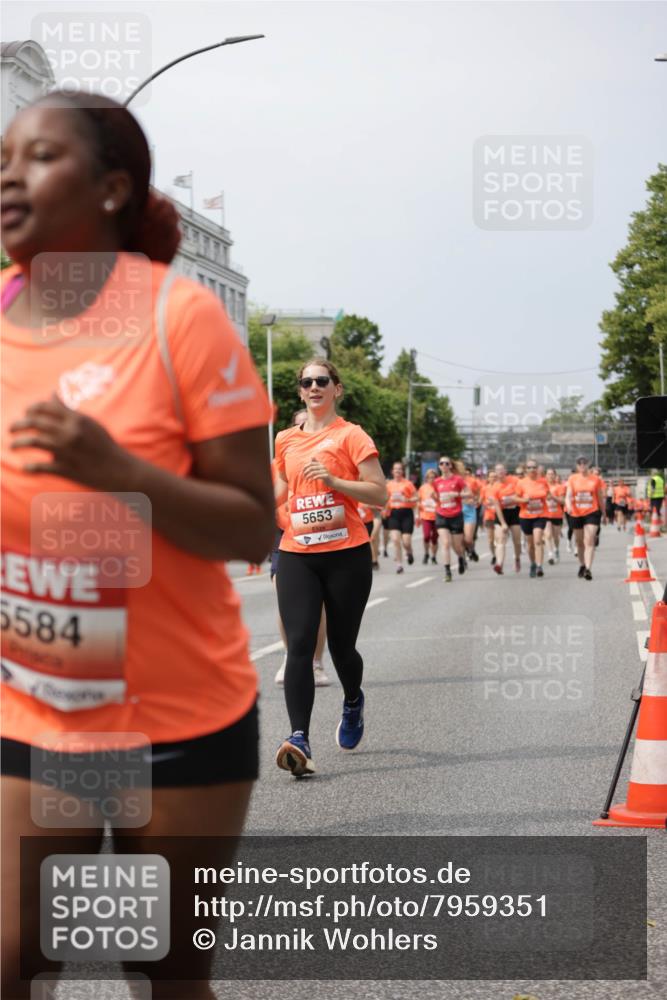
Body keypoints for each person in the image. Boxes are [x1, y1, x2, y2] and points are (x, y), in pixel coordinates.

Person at [1, 92, 275, 1000]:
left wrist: (117, 470)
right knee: (12, 954)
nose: (9, 173)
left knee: (161, 967)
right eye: (4, 155)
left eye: (38, 156)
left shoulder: (179, 318)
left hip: (177, 716)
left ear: (113, 187)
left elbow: (250, 523)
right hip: (34, 712)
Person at [272, 358, 386, 776]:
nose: (314, 386)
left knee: (341, 645)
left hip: (346, 554)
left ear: (336, 388)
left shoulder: (352, 436)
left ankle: (353, 700)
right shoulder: (285, 439)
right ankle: (298, 737)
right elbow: (282, 488)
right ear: (300, 391)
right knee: (299, 645)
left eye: (322, 380)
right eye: (307, 382)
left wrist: (336, 483)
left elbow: (379, 493)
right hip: (298, 553)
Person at [273, 409, 329, 687]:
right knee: (286, 603)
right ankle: (291, 655)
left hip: (317, 533)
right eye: (299, 425)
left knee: (316, 604)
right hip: (284, 534)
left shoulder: (325, 455)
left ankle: (316, 662)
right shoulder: (280, 455)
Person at [565, 456, 606, 581]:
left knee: (589, 540)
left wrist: (604, 513)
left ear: (588, 465)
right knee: (579, 542)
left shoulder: (595, 479)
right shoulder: (572, 478)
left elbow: (599, 498)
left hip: (592, 512)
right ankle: (582, 565)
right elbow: (568, 495)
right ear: (577, 466)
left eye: (584, 463)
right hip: (576, 513)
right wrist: (568, 506)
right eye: (579, 463)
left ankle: (588, 568)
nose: (582, 465)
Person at [434, 456, 467, 582]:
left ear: (450, 466)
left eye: (446, 463)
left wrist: (456, 494)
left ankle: (461, 558)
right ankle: (447, 571)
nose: (444, 465)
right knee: (445, 543)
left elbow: (468, 493)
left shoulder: (457, 479)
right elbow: (437, 497)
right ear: (439, 466)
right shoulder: (436, 482)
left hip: (456, 515)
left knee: (456, 546)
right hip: (441, 515)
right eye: (441, 463)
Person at [514, 459, 549, 577]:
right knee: (530, 544)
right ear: (526, 470)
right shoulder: (521, 483)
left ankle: (539, 566)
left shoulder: (543, 481)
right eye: (529, 467)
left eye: (534, 467)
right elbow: (515, 498)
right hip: (526, 516)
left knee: (538, 540)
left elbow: (547, 495)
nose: (532, 469)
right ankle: (533, 563)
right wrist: (524, 500)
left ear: (537, 468)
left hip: (540, 515)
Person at [385, 460, 417, 573]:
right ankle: (399, 564)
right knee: (395, 539)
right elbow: (385, 499)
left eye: (399, 469)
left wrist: (407, 499)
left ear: (402, 471)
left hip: (406, 513)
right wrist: (384, 508)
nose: (397, 471)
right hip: (393, 514)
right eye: (395, 469)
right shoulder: (388, 485)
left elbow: (416, 498)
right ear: (392, 471)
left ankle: (409, 552)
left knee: (406, 541)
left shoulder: (408, 484)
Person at [491, 463, 522, 575]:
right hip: (502, 513)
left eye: (501, 470)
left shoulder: (514, 481)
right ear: (495, 473)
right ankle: (499, 564)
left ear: (505, 471)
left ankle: (517, 559)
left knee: (517, 541)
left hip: (515, 512)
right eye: (497, 470)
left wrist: (514, 499)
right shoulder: (494, 487)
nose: (499, 472)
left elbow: (521, 495)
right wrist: (503, 523)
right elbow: (497, 506)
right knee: (500, 540)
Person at [416, 467, 439, 564]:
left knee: (434, 538)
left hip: (437, 516)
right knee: (426, 536)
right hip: (425, 516)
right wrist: (417, 515)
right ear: (426, 478)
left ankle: (434, 556)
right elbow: (418, 501)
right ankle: (426, 553)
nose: (431, 479)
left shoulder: (439, 487)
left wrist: (435, 498)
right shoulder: (423, 488)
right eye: (429, 477)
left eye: (433, 477)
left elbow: (442, 501)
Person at [544, 468, 566, 564]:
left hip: (557, 514)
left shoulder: (559, 487)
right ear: (546, 476)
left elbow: (563, 501)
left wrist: (552, 497)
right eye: (548, 474)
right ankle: (550, 554)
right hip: (545, 514)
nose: (550, 476)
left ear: (555, 475)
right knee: (548, 534)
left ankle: (556, 549)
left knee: (555, 536)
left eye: (552, 474)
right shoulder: (542, 486)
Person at [462, 466, 481, 562]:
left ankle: (471, 549)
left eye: (468, 473)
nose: (466, 475)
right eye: (464, 473)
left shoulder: (473, 481)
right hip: (459, 510)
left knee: (471, 535)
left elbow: (478, 493)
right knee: (460, 536)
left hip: (472, 509)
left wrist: (475, 500)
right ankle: (465, 554)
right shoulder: (456, 480)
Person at [479, 470, 498, 564]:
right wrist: (485, 503)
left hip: (499, 516)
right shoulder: (484, 488)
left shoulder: (500, 487)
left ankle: (499, 554)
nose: (493, 478)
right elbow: (481, 500)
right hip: (489, 516)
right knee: (491, 540)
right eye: (491, 477)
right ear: (488, 478)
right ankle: (494, 555)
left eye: (495, 477)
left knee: (498, 538)